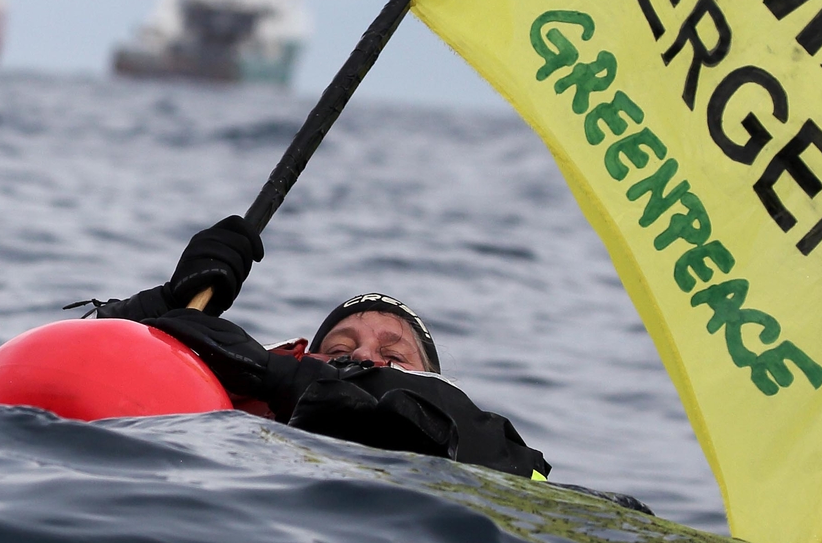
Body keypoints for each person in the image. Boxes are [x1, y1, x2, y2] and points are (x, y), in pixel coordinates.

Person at [89, 216, 650, 510]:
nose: (363, 356)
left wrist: (279, 371)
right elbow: (78, 388)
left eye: (391, 354)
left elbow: (424, 430)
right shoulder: (244, 411)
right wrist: (163, 304)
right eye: (341, 349)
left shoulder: (482, 440)